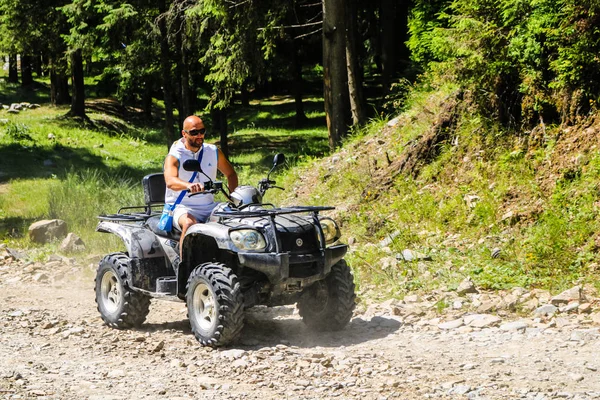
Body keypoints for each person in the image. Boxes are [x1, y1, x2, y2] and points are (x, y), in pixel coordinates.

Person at [164, 115, 238, 258]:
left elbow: (231, 174)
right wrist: (188, 185)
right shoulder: (175, 154)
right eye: (194, 132)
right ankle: (185, 266)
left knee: (237, 218)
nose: (199, 135)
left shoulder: (212, 151)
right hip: (181, 207)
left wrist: (233, 198)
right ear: (184, 134)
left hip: (209, 206)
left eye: (202, 131)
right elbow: (170, 181)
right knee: (189, 224)